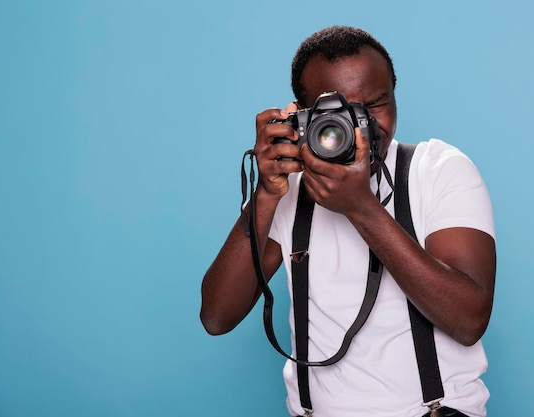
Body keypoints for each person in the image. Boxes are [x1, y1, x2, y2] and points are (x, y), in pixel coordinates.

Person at [200, 25, 496, 417]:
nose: (362, 127)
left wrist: (361, 208)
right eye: (342, 113)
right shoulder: (286, 188)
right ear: (302, 116)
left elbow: (468, 320)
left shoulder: (438, 170)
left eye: (376, 104)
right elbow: (217, 316)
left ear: (394, 93)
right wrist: (267, 195)